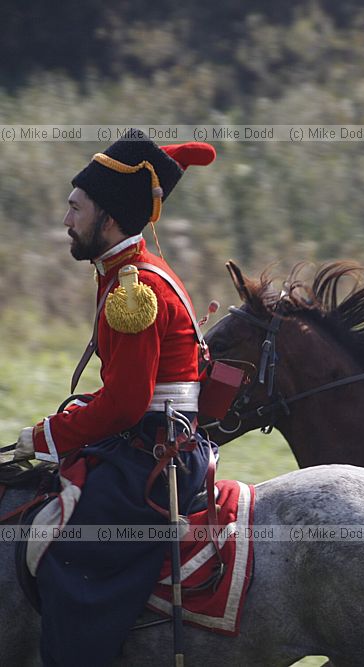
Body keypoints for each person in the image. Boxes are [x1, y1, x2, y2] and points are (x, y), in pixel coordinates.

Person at [5, 129, 217, 666]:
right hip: (148, 442)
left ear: (110, 218)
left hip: (152, 457)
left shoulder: (133, 292)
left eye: (76, 208)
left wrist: (47, 434)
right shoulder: (128, 271)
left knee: (69, 553)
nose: (66, 219)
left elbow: (126, 405)